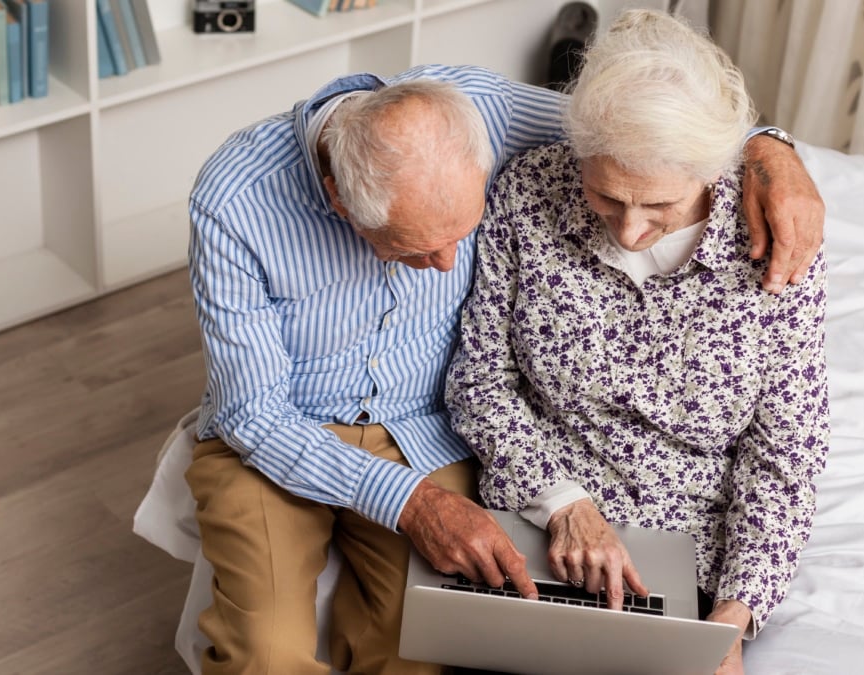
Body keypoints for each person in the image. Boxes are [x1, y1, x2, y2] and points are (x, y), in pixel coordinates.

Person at [187, 59, 824, 673]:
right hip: (281, 435)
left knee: (423, 647)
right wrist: (413, 503)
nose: (444, 269)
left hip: (420, 426)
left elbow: (642, 123)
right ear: (337, 199)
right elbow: (256, 415)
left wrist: (771, 150)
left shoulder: (483, 110)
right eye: (412, 249)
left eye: (459, 236)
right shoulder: (236, 200)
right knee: (265, 655)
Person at [446, 10, 829, 675]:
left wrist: (729, 622)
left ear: (715, 170)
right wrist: (563, 505)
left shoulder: (774, 243)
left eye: (659, 207)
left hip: (689, 553)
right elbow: (480, 383)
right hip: (542, 524)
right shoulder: (525, 196)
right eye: (605, 195)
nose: (627, 230)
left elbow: (786, 453)